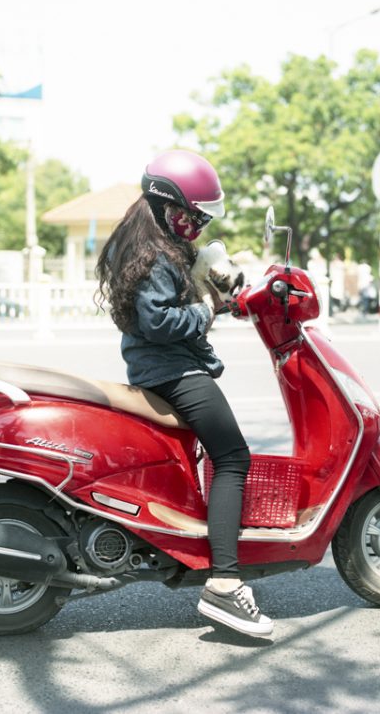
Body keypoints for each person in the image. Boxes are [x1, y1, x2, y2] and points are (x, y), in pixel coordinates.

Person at [95, 149, 273, 637]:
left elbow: (187, 288)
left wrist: (226, 294)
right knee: (233, 457)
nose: (195, 225)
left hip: (162, 367)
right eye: (193, 216)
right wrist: (207, 311)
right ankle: (225, 584)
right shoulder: (153, 253)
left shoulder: (148, 241)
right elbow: (158, 322)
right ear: (168, 205)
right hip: (173, 371)